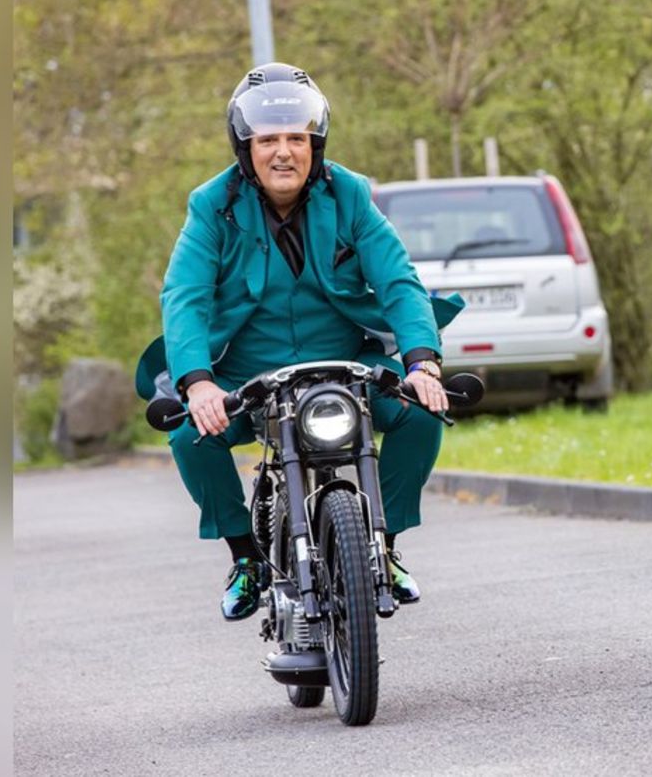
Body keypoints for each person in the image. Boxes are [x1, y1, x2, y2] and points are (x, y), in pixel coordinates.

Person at [134, 62, 462, 620]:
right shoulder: (211, 205)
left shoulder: (351, 194)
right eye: (268, 140)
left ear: (315, 144)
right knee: (192, 438)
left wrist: (423, 363)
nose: (283, 152)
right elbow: (184, 296)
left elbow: (399, 280)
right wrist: (197, 382)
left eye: (295, 138)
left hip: (344, 363)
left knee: (422, 416)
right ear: (246, 147)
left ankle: (382, 546)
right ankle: (245, 558)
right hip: (245, 370)